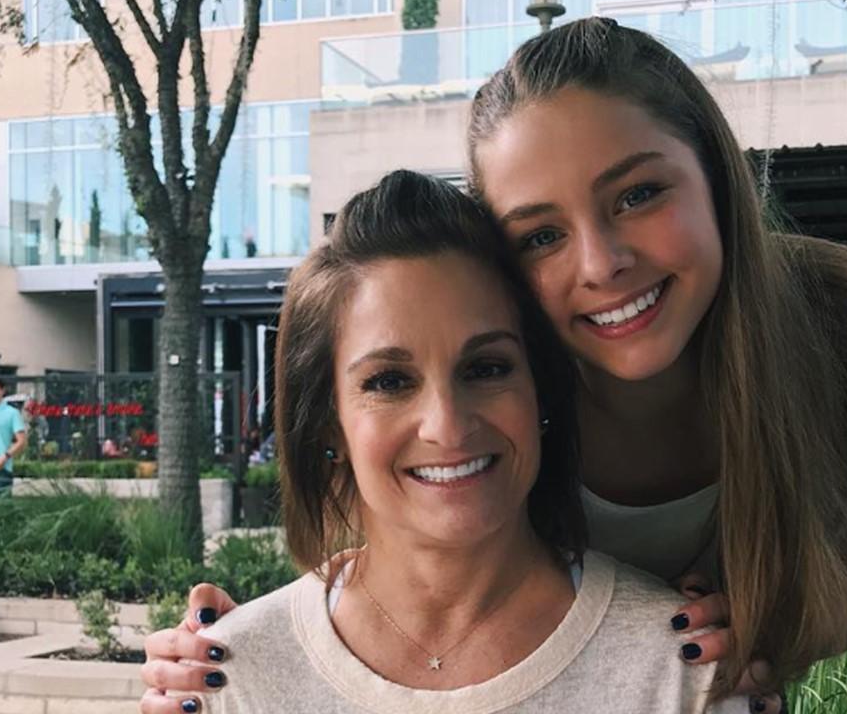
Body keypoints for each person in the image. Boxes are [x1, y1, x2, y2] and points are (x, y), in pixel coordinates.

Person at [140, 18, 847, 714]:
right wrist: (243, 655)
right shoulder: (499, 378)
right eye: (541, 236)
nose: (602, 263)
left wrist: (754, 642)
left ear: (717, 177)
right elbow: (415, 545)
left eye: (638, 195)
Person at [187, 171, 743, 713]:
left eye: (485, 368)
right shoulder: (230, 677)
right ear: (329, 426)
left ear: (541, 394)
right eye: (389, 381)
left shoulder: (682, 674)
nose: (447, 426)